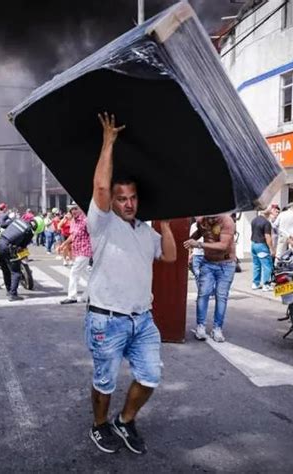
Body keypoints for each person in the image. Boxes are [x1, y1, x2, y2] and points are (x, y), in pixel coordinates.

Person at [85, 112, 176, 455]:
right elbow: (100, 187)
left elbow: (168, 257)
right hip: (107, 319)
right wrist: (109, 142)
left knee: (150, 376)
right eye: (122, 198)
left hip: (142, 320)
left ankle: (125, 420)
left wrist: (165, 224)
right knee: (104, 381)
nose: (127, 203)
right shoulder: (103, 223)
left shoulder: (144, 231)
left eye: (132, 197)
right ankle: (99, 424)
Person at [184, 214, 236, 342]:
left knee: (221, 296)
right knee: (203, 294)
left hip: (226, 264)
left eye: (214, 217)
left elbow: (223, 245)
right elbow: (197, 234)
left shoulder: (227, 221)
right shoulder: (203, 221)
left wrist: (199, 244)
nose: (211, 220)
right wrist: (186, 241)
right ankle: (201, 326)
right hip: (208, 263)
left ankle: (217, 328)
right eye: (209, 217)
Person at [0, 216, 44, 301]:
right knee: (16, 272)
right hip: (8, 248)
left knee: (6, 270)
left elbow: (3, 225)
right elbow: (23, 246)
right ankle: (13, 294)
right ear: (38, 228)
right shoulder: (29, 232)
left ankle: (9, 290)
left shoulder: (17, 220)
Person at [59, 204, 91, 304]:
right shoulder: (73, 221)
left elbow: (94, 234)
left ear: (81, 209)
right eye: (72, 209)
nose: (74, 211)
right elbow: (72, 236)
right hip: (77, 251)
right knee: (86, 274)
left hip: (85, 250)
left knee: (74, 272)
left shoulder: (86, 221)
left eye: (76, 208)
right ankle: (91, 294)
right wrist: (64, 244)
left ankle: (72, 296)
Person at [250, 209, 274, 291]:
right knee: (267, 266)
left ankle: (255, 283)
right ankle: (266, 284)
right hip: (262, 245)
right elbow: (268, 236)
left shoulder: (254, 220)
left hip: (253, 244)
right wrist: (271, 249)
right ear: (268, 213)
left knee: (256, 265)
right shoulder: (266, 223)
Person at [188, 219, 205, 290]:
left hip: (206, 254)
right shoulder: (193, 226)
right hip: (196, 254)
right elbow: (190, 241)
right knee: (197, 273)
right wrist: (190, 254)